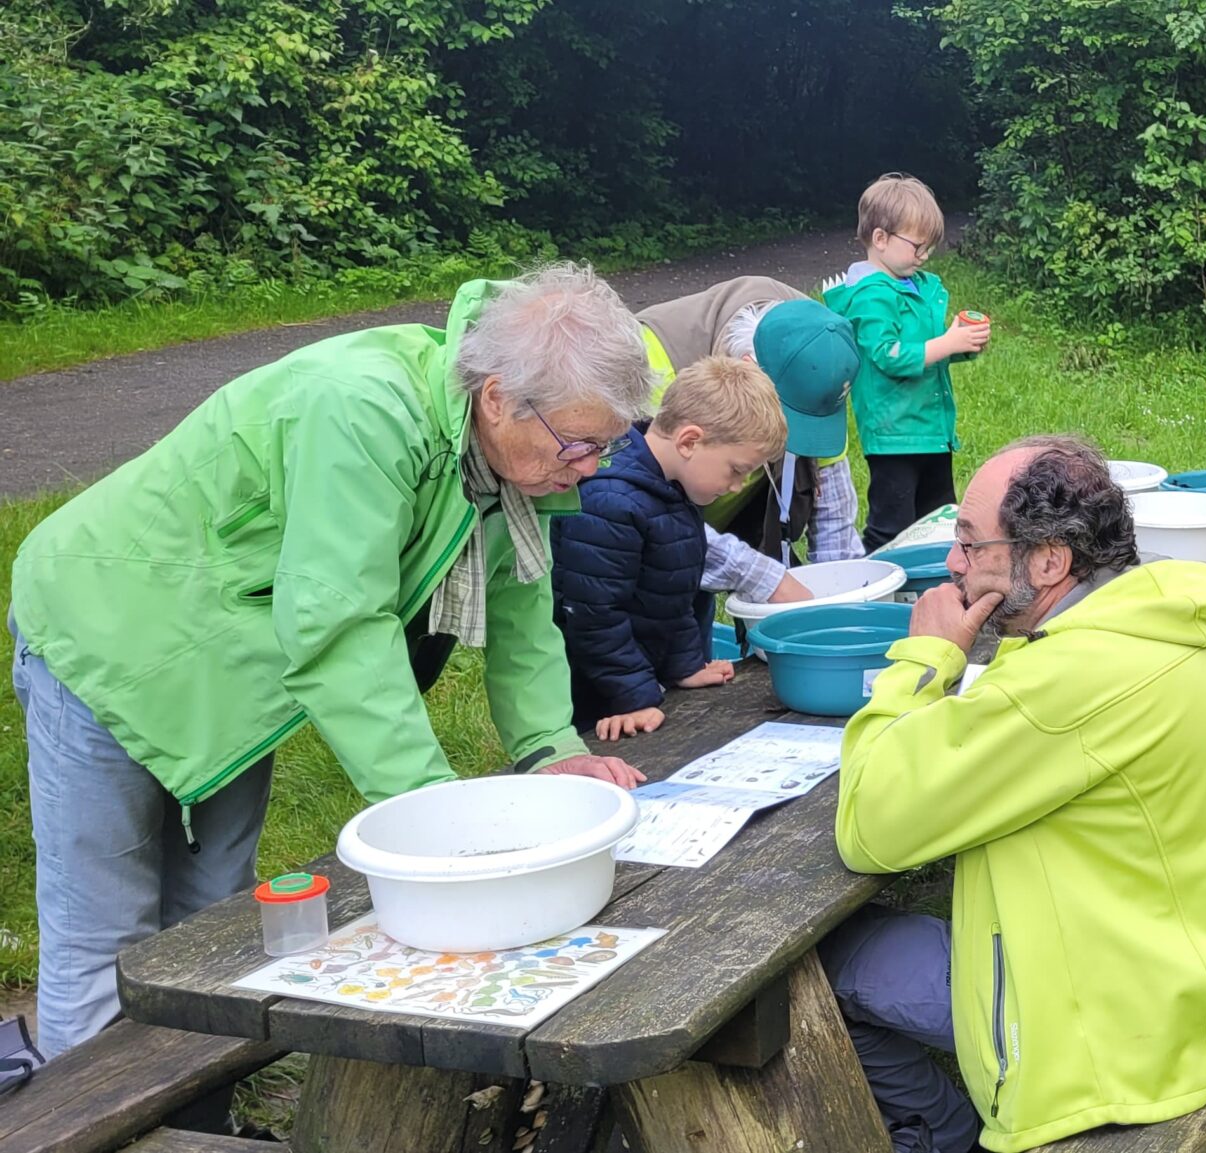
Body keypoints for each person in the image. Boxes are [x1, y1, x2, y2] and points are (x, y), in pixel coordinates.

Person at [10, 264, 653, 1054]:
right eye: (580, 443)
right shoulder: (361, 408)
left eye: (607, 445)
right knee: (106, 935)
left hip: (235, 662)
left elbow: (524, 598)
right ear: (496, 397)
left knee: (212, 917)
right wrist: (431, 814)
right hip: (105, 628)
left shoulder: (516, 453)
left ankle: (194, 1121)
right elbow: (342, 629)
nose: (590, 465)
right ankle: (85, 1125)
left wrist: (550, 744)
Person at [820, 437, 1206, 1153]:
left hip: (1133, 1040)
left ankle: (937, 1134)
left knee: (832, 964)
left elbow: (869, 825)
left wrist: (924, 659)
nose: (953, 564)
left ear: (1049, 559)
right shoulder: (1172, 618)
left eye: (969, 541)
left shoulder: (1067, 685)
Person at [553, 357, 789, 740]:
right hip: (596, 700)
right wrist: (631, 697)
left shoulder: (670, 488)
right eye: (736, 470)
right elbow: (594, 617)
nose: (737, 486)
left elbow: (674, 589)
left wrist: (685, 665)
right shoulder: (610, 502)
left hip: (641, 679)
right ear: (689, 441)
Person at [634, 277, 864, 603]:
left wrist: (845, 599)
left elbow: (834, 528)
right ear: (749, 372)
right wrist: (761, 577)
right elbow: (639, 517)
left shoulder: (820, 353)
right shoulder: (648, 371)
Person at [822, 173, 991, 552]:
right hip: (894, 435)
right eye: (917, 245)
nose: (925, 255)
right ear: (880, 239)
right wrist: (947, 343)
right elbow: (887, 355)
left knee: (941, 521)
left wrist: (962, 343)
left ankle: (935, 587)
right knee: (892, 528)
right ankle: (880, 588)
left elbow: (928, 344)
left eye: (929, 246)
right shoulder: (870, 295)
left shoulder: (914, 284)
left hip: (932, 429)